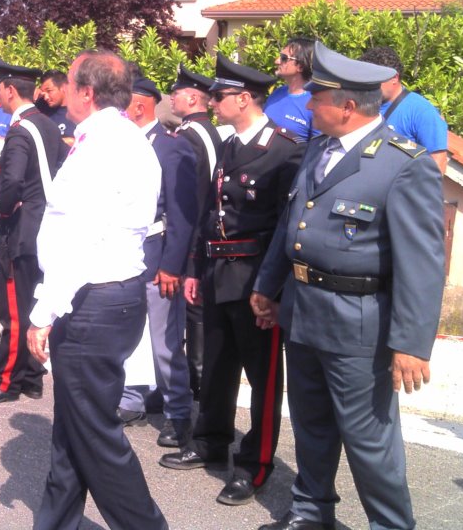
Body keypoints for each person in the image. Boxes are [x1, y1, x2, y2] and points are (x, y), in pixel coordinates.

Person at [250, 41, 445, 530]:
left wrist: (411, 343)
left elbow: (422, 263)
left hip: (359, 325)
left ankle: (391, 525)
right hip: (304, 312)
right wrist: (268, 285)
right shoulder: (318, 149)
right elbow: (290, 224)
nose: (309, 105)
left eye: (318, 98)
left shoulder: (403, 163)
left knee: (369, 440)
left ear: (348, 106)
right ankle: (312, 512)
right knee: (312, 427)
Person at [27, 51, 168, 530]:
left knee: (94, 434)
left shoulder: (104, 144)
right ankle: (57, 521)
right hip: (106, 295)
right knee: (73, 423)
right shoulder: (118, 137)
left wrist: (44, 311)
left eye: (68, 83)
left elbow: (80, 236)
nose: (62, 91)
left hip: (92, 298)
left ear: (87, 92)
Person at [160, 55, 304, 508]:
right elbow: (211, 214)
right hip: (218, 272)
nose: (212, 101)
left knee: (262, 378)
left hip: (257, 281)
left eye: (219, 96)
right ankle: (210, 440)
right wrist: (195, 271)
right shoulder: (228, 143)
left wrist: (273, 289)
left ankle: (254, 464)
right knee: (218, 364)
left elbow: (286, 226)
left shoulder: (286, 149)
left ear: (244, 99)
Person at [0, 60, 66, 405]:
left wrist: (2, 210)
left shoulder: (21, 130)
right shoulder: (49, 125)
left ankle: (7, 381)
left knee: (14, 311)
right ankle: (32, 378)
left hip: (20, 233)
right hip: (44, 229)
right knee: (32, 307)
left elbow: (10, 182)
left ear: (9, 90)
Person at [118, 76, 198, 450]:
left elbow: (183, 214)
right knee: (126, 336)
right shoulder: (122, 144)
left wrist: (172, 265)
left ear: (140, 105)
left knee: (165, 343)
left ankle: (179, 413)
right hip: (123, 254)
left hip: (156, 253)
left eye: (124, 103)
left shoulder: (171, 148)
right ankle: (131, 399)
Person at [168, 63, 222, 400]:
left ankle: (196, 383)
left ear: (191, 97)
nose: (171, 98)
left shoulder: (188, 136)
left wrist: (185, 256)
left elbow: (187, 197)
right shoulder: (209, 130)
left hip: (195, 236)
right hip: (207, 233)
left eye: (175, 93)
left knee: (192, 312)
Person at [358, 45, 449, 173]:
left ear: (394, 77)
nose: (370, 85)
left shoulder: (421, 110)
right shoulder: (365, 104)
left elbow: (438, 162)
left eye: (375, 80)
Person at [265, 36, 321, 142]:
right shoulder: (277, 93)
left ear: (300, 66)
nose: (277, 61)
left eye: (284, 58)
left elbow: (318, 150)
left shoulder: (316, 102)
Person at [37, 69, 76, 142]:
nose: (46, 97)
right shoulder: (41, 108)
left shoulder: (79, 110)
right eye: (43, 93)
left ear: (63, 88)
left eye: (49, 91)